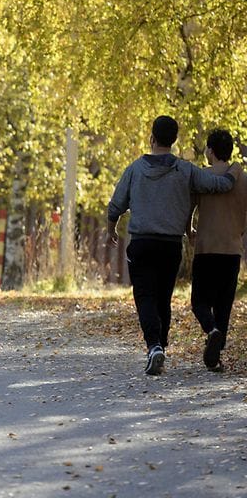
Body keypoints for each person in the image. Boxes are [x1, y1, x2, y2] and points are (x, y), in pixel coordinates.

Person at [107, 115, 237, 376]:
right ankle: (161, 346)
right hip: (170, 245)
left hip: (142, 243)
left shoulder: (135, 169)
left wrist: (111, 230)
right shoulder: (185, 170)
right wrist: (234, 172)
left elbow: (116, 205)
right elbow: (219, 185)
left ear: (151, 138)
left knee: (145, 296)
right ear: (174, 140)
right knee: (163, 297)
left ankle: (154, 346)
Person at [188, 129, 247, 372]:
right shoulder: (243, 179)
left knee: (199, 301)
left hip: (206, 248)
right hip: (232, 249)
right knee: (224, 304)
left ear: (210, 151)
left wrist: (188, 229)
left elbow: (189, 208)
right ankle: (216, 356)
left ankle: (211, 330)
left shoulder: (202, 177)